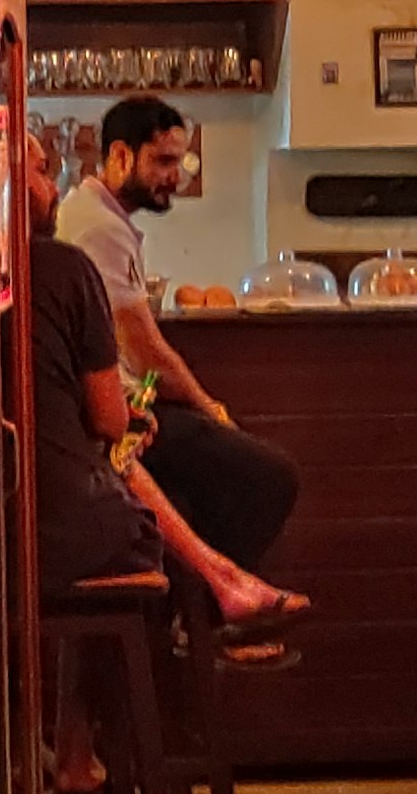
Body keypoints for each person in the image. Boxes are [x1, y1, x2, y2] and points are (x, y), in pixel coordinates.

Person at [24, 130, 287, 792]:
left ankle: (78, 751)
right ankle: (216, 588)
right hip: (57, 532)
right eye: (37, 170)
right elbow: (111, 417)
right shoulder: (63, 266)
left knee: (125, 483)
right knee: (128, 511)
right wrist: (192, 405)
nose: (52, 186)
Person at [55, 95, 306, 628]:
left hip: (121, 416)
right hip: (115, 424)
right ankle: (213, 617)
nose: (176, 176)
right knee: (270, 477)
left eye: (180, 162)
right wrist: (209, 405)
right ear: (120, 156)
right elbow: (146, 351)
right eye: (164, 162)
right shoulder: (97, 225)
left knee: (208, 492)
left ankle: (195, 620)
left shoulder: (100, 217)